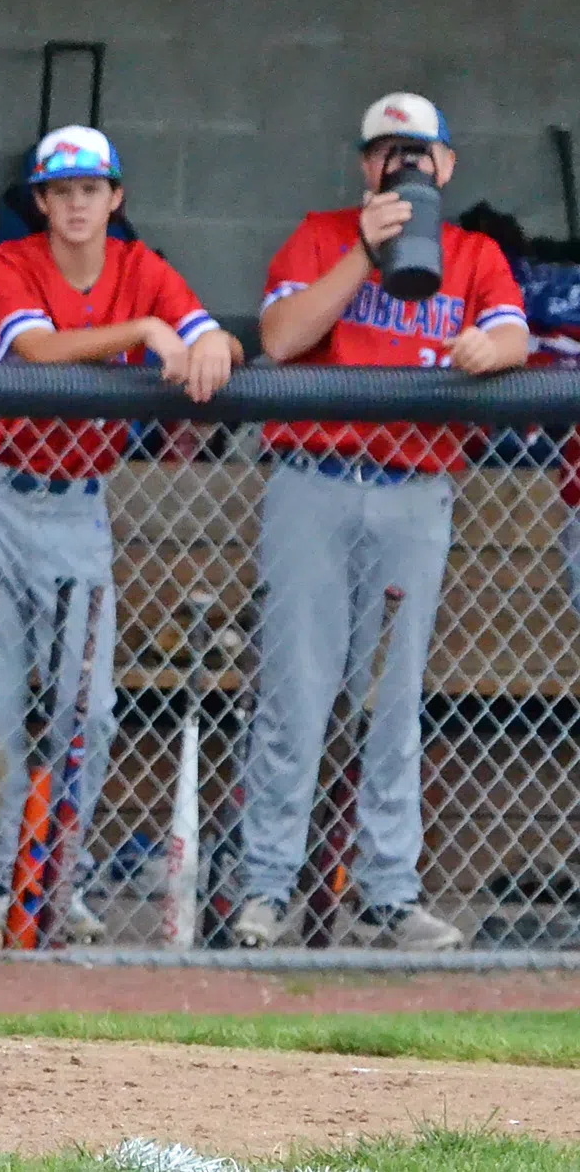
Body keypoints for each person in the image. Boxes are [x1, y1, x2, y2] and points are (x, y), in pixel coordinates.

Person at [235, 92, 528, 952]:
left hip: (414, 490)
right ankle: (266, 888)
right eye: (386, 154)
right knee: (295, 692)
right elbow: (281, 338)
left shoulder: (473, 253)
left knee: (392, 699)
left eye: (417, 155)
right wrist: (364, 252)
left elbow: (514, 336)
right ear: (365, 167)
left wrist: (490, 350)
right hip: (314, 482)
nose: (403, 168)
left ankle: (388, 892)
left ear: (446, 164)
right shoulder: (322, 234)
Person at [0, 125, 241, 949]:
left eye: (91, 189)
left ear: (116, 198)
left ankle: (53, 884)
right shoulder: (9, 263)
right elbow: (35, 352)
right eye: (61, 191)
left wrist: (209, 339)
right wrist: (145, 335)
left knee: (90, 709)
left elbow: (216, 335)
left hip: (79, 503)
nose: (77, 204)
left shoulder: (145, 270)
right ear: (41, 201)